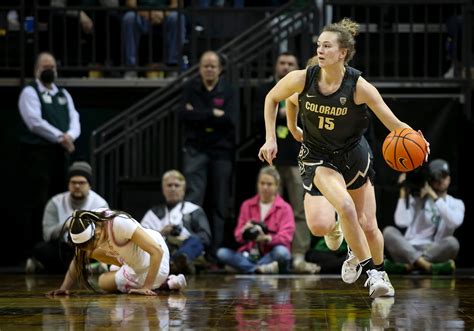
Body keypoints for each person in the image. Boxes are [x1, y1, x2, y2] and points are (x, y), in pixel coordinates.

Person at [258, 18, 429, 298]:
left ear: (342, 53)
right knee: (323, 222)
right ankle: (363, 258)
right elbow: (274, 98)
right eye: (318, 45)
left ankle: (377, 273)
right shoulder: (303, 78)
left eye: (327, 45)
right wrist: (277, 134)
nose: (320, 49)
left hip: (353, 154)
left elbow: (394, 123)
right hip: (317, 155)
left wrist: (419, 142)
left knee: (367, 223)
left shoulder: (359, 87)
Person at [255, 52, 319, 274]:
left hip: (297, 158)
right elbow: (256, 118)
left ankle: (298, 256)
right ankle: (273, 254)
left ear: (297, 66)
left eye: (290, 63)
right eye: (281, 63)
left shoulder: (303, 87)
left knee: (300, 209)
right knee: (272, 208)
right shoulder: (267, 91)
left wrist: (288, 113)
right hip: (271, 159)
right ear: (275, 66)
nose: (285, 67)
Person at [17, 51, 81, 261]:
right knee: (38, 201)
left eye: (52, 67)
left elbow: (75, 119)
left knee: (60, 198)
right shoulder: (30, 91)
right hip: (38, 154)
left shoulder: (63, 94)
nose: (49, 71)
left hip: (60, 154)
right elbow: (35, 122)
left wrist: (69, 136)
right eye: (45, 67)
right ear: (36, 70)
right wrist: (60, 137)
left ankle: (60, 250)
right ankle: (34, 252)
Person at [180, 50, 239, 260]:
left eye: (213, 66)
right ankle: (192, 252)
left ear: (220, 69)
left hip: (221, 152)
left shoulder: (229, 90)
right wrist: (212, 114)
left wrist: (198, 115)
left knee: (219, 203)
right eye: (205, 65)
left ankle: (214, 255)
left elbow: (230, 120)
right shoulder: (191, 88)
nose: (209, 69)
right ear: (199, 68)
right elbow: (184, 116)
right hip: (196, 149)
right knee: (193, 201)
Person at [48, 208, 187, 296]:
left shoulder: (119, 223)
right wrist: (64, 288)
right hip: (131, 261)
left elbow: (157, 251)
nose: (88, 251)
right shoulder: (85, 224)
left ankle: (165, 283)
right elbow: (77, 261)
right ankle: (163, 283)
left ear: (96, 233)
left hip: (154, 261)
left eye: (90, 245)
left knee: (104, 281)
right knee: (103, 282)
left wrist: (146, 288)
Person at [25, 161, 109, 274]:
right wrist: (66, 225)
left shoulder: (99, 204)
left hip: (88, 248)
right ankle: (85, 269)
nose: (77, 186)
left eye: (82, 183)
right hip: (63, 248)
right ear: (68, 184)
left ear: (89, 185)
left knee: (107, 251)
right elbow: (47, 235)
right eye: (73, 182)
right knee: (41, 249)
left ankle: (51, 268)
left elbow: (105, 236)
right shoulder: (55, 203)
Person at [383, 159, 464, 275]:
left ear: (449, 179)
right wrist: (403, 191)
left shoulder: (456, 203)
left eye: (444, 176)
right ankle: (426, 266)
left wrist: (434, 196)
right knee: (388, 232)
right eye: (436, 177)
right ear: (430, 180)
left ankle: (410, 266)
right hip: (408, 248)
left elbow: (454, 222)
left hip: (434, 251)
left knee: (453, 243)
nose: (440, 180)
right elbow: (401, 222)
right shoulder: (419, 198)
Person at [217, 166, 295, 274]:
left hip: (271, 253)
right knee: (222, 253)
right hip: (250, 253)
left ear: (277, 186)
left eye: (269, 184)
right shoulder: (247, 205)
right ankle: (258, 269)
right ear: (257, 184)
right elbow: (238, 236)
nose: (265, 187)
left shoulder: (285, 208)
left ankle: (247, 268)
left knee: (282, 253)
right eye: (262, 183)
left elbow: (286, 237)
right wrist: (245, 231)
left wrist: (266, 238)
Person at [141, 170, 212, 275]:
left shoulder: (194, 210)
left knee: (196, 240)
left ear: (183, 190)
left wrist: (184, 236)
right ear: (163, 189)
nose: (173, 189)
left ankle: (178, 261)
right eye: (169, 185)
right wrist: (161, 233)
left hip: (187, 246)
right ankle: (177, 264)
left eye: (177, 185)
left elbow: (205, 237)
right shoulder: (153, 214)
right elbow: (140, 236)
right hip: (163, 248)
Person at [121, 0, 186, 78]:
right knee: (129, 18)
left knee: (177, 18)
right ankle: (131, 67)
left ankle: (173, 66)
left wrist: (163, 13)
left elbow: (177, 3)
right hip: (141, 14)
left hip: (165, 15)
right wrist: (147, 13)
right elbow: (130, 3)